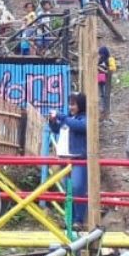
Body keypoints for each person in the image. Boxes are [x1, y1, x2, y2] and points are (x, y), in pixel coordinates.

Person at [49, 95, 89, 225]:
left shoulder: (84, 118)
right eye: (70, 104)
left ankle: (78, 220)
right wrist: (53, 121)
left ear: (81, 105)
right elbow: (56, 129)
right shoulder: (68, 118)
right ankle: (69, 220)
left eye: (74, 104)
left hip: (78, 158)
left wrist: (62, 117)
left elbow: (81, 127)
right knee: (68, 190)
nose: (71, 107)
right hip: (64, 158)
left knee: (78, 188)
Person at [97, 46, 113, 120]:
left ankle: (106, 110)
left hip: (107, 79)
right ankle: (102, 108)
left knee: (106, 95)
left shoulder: (110, 59)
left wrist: (103, 70)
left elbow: (112, 70)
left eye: (101, 53)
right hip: (100, 78)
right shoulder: (100, 59)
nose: (100, 55)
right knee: (101, 95)